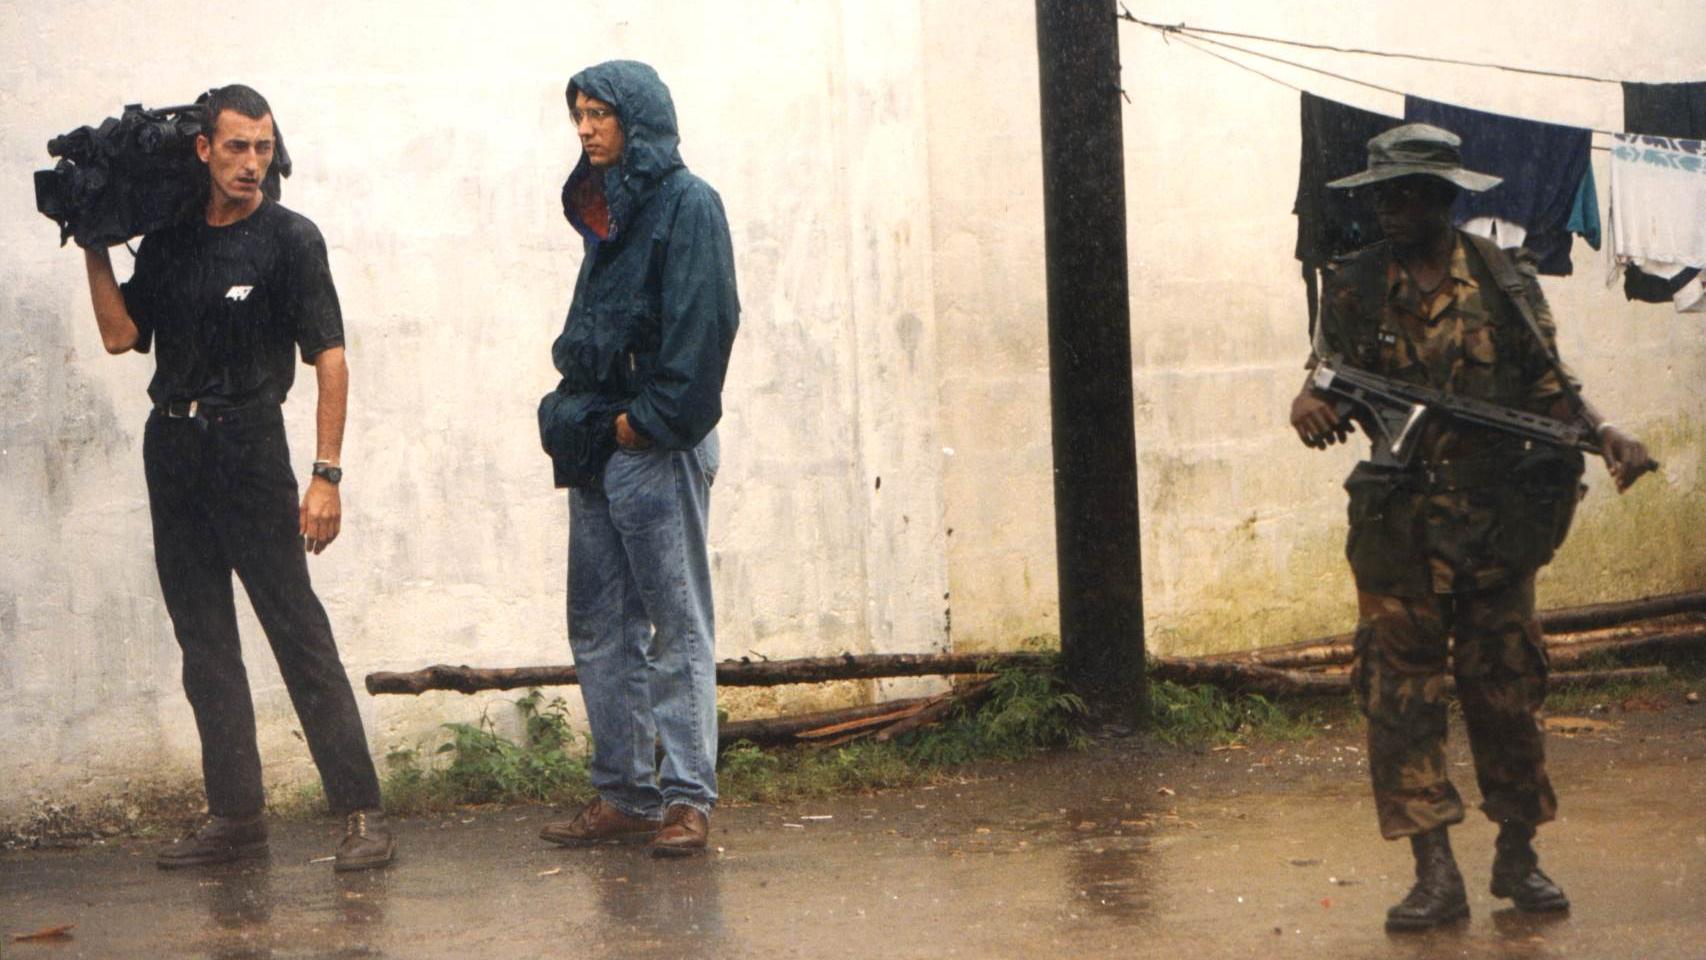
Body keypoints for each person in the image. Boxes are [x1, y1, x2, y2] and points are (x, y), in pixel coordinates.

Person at [1290, 124, 1655, 930]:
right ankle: (1434, 875)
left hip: (1497, 530)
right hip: (1398, 536)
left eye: (1409, 192)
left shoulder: (1504, 280)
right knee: (1400, 702)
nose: (1393, 207)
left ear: (1445, 198)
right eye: (1384, 193)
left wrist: (1607, 433)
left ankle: (1518, 857)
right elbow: (1326, 386)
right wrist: (1311, 407)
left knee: (1507, 695)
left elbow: (1553, 390)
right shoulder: (1351, 287)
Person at [79, 84, 393, 871]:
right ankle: (236, 820)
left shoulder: (291, 240)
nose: (252, 163)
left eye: (263, 147)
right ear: (204, 150)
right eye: (236, 147)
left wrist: (326, 476)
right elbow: (121, 337)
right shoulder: (168, 243)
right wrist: (92, 241)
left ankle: (362, 814)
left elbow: (330, 359)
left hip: (250, 448)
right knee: (204, 640)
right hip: (174, 450)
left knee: (297, 631)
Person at [536, 61, 739, 858]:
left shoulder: (689, 203)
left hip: (653, 442)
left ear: (638, 119)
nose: (585, 129)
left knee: (675, 626)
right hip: (598, 438)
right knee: (598, 624)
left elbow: (705, 325)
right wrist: (587, 420)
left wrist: (642, 425)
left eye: (599, 115)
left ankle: (688, 799)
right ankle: (624, 792)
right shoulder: (606, 207)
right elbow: (595, 324)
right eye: (578, 114)